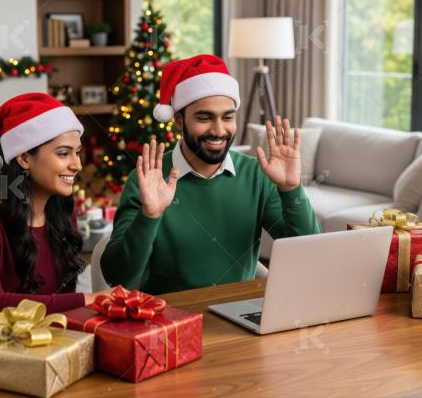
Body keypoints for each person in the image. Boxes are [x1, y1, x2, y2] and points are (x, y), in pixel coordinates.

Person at [100, 54, 321, 294]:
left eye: (227, 117)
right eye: (204, 118)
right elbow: (116, 275)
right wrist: (149, 215)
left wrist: (291, 189)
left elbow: (310, 255)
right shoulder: (147, 179)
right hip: (169, 320)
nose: (218, 130)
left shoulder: (257, 175)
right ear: (178, 120)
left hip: (239, 315)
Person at [0, 93, 108, 331]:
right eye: (63, 153)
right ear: (24, 157)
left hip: (29, 345)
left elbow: (57, 306)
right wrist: (88, 300)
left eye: (77, 152)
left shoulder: (61, 213)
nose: (77, 164)